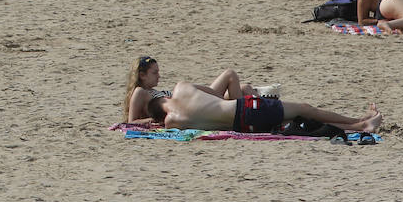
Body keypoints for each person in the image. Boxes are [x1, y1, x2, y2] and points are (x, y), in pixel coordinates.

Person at [145, 81, 380, 135]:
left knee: (302, 123)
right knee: (305, 109)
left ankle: (358, 126)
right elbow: (214, 92)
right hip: (245, 108)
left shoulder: (171, 122)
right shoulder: (181, 87)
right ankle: (358, 122)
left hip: (245, 126)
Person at [123, 57, 261, 126]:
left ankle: (260, 110)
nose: (159, 76)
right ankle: (243, 116)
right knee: (230, 75)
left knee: (244, 87)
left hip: (192, 101)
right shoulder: (140, 92)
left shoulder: (152, 91)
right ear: (142, 75)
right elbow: (131, 122)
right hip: (191, 107)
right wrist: (153, 120)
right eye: (155, 73)